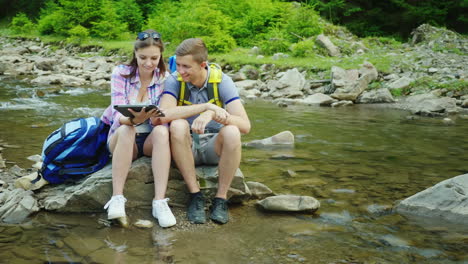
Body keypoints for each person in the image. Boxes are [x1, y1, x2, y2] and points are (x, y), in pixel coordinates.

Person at [159, 38, 251, 224]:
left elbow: (245, 126)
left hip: (213, 147)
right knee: (177, 125)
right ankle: (195, 195)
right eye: (178, 65)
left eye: (186, 66)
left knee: (232, 132)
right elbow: (162, 116)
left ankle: (221, 199)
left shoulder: (222, 81)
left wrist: (213, 115)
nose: (180, 71)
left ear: (202, 65)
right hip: (186, 146)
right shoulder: (174, 81)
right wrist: (205, 107)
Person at [101, 29, 176, 228]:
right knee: (127, 129)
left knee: (162, 131)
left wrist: (154, 118)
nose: (148, 63)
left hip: (151, 138)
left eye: (154, 58)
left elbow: (165, 118)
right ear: (135, 54)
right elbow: (117, 116)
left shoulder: (166, 78)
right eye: (143, 57)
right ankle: (117, 198)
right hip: (122, 139)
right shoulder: (121, 73)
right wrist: (135, 119)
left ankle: (159, 201)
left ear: (160, 56)